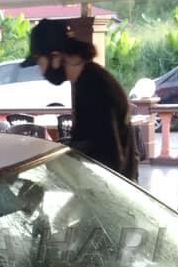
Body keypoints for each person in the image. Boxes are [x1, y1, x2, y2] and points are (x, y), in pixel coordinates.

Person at [21, 18, 137, 181]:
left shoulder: (95, 88)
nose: (41, 72)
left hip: (110, 193)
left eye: (41, 63)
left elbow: (109, 158)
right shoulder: (86, 79)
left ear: (55, 57)